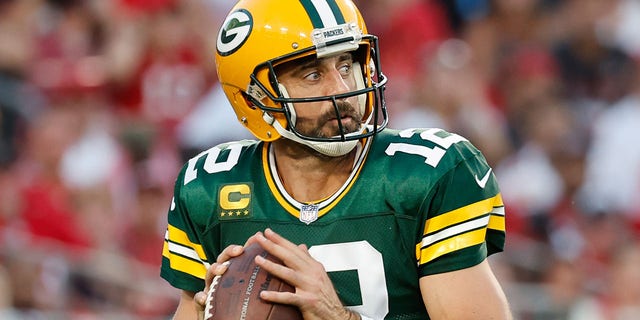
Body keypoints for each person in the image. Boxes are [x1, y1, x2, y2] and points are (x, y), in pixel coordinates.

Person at [160, 0, 512, 319]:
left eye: (345, 65)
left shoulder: (427, 174)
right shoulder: (209, 186)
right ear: (254, 99)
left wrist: (337, 316)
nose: (341, 89)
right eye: (313, 75)